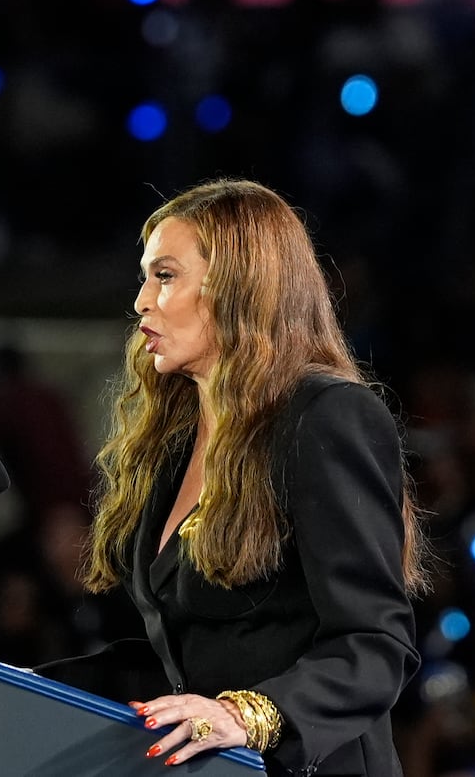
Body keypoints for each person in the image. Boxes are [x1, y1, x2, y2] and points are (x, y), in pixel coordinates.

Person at [37, 179, 426, 775]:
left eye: (165, 276)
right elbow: (178, 662)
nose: (142, 300)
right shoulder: (173, 442)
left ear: (238, 287)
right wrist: (4, 683)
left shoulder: (323, 415)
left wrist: (249, 715)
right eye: (145, 277)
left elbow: (375, 644)